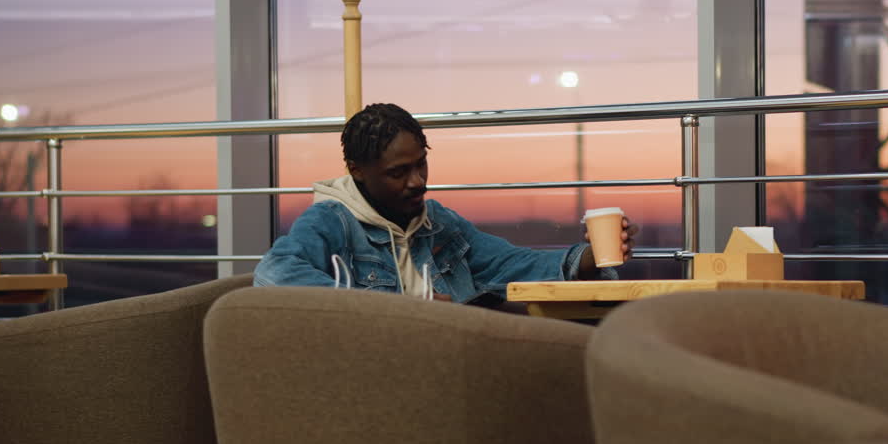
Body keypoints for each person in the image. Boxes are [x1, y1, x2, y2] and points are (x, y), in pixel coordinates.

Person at [254, 103, 638, 303]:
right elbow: (273, 274)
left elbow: (511, 265)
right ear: (357, 171)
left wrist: (588, 260)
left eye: (421, 163)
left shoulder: (437, 223)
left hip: (449, 360)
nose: (417, 181)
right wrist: (398, 312)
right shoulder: (331, 222)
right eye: (398, 172)